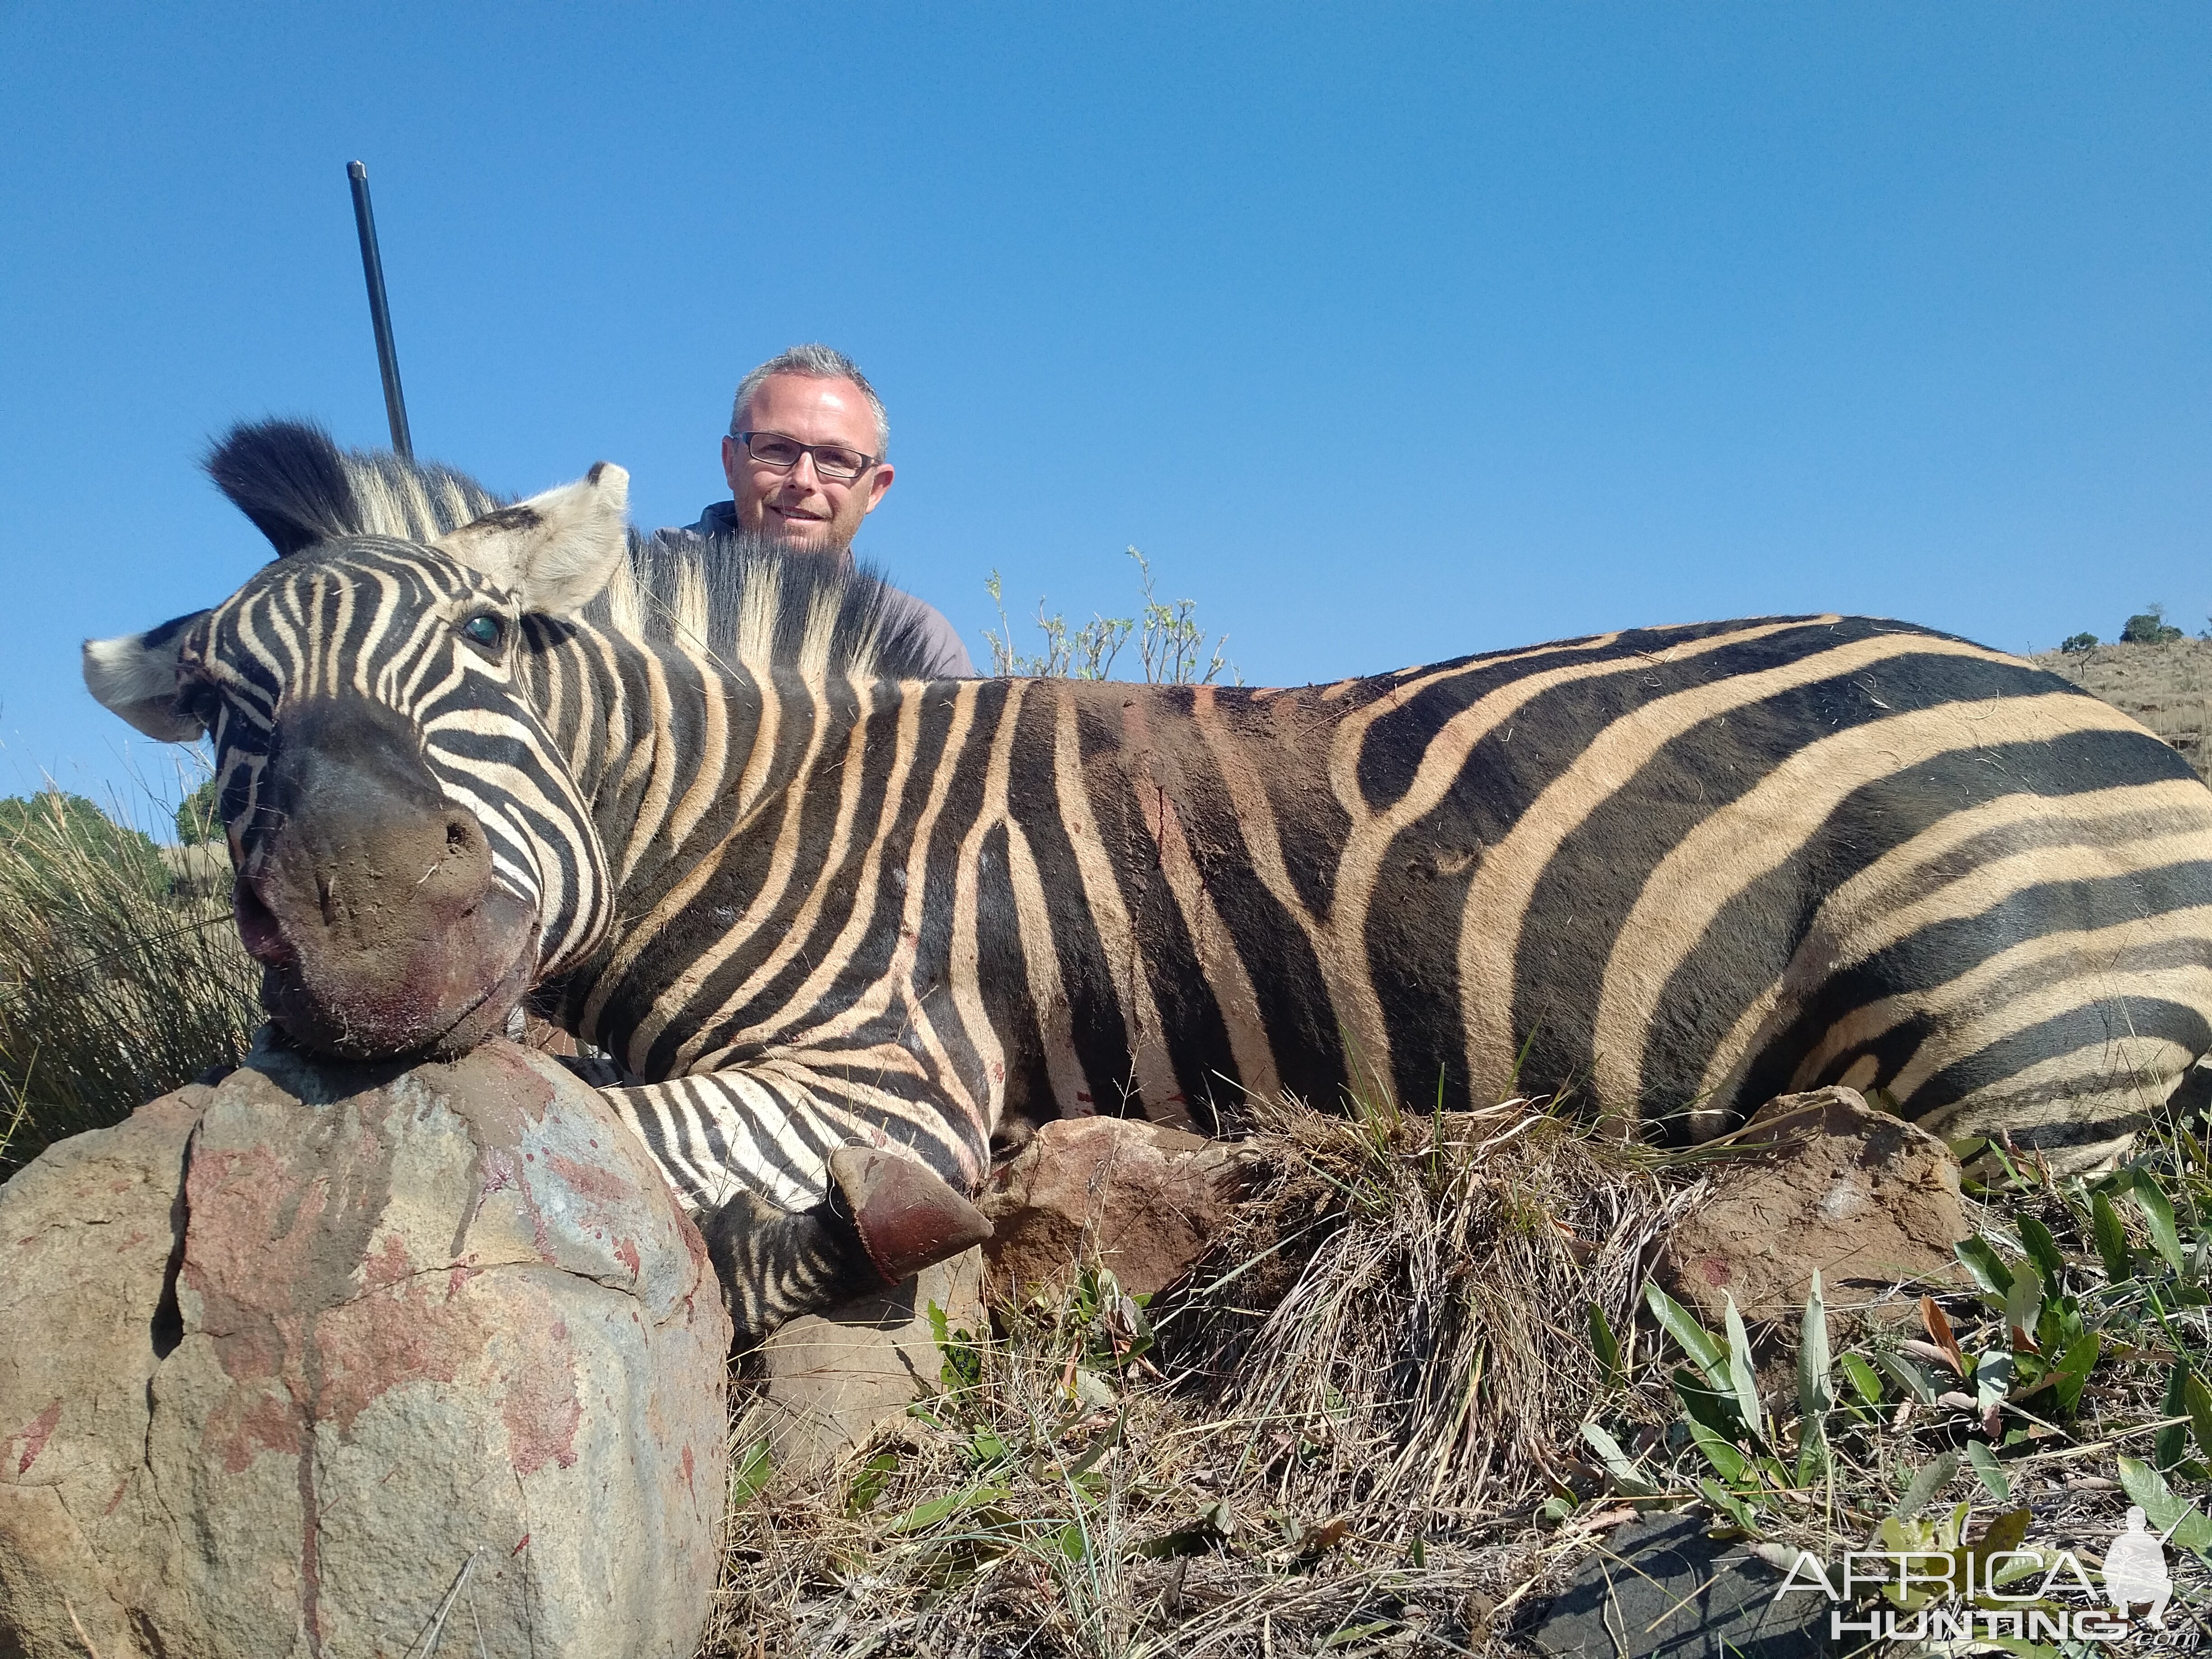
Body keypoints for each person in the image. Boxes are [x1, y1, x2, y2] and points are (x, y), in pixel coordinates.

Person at [657, 344, 975, 676]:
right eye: (777, 449)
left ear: (876, 490)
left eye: (836, 458)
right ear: (730, 462)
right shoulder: (644, 583)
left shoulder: (915, 641)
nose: (803, 479)